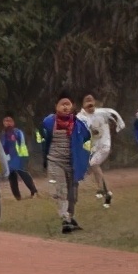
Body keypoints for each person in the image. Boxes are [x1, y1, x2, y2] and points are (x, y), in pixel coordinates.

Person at [40, 93, 92, 233]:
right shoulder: (48, 123)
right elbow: (42, 139)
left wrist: (84, 160)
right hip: (55, 162)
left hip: (73, 164)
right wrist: (45, 158)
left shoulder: (79, 124)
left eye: (67, 104)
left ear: (72, 106)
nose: (65, 107)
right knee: (61, 191)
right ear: (56, 106)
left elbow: (87, 139)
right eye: (62, 104)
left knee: (72, 194)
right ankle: (65, 219)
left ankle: (70, 216)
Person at [78, 94, 124, 208]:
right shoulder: (81, 118)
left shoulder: (102, 113)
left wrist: (118, 125)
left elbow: (114, 116)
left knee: (93, 163)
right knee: (95, 167)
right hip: (94, 148)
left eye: (91, 101)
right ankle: (105, 191)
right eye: (86, 101)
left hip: (104, 145)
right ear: (83, 106)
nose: (89, 104)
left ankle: (102, 190)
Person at [0, 115, 38, 200]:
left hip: (19, 157)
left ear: (13, 122)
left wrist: (23, 157)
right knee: (12, 178)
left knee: (24, 174)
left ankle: (34, 191)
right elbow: (2, 146)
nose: (8, 123)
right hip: (8, 158)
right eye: (6, 121)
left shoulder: (17, 132)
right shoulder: (3, 134)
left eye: (9, 121)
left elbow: (22, 144)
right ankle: (17, 196)